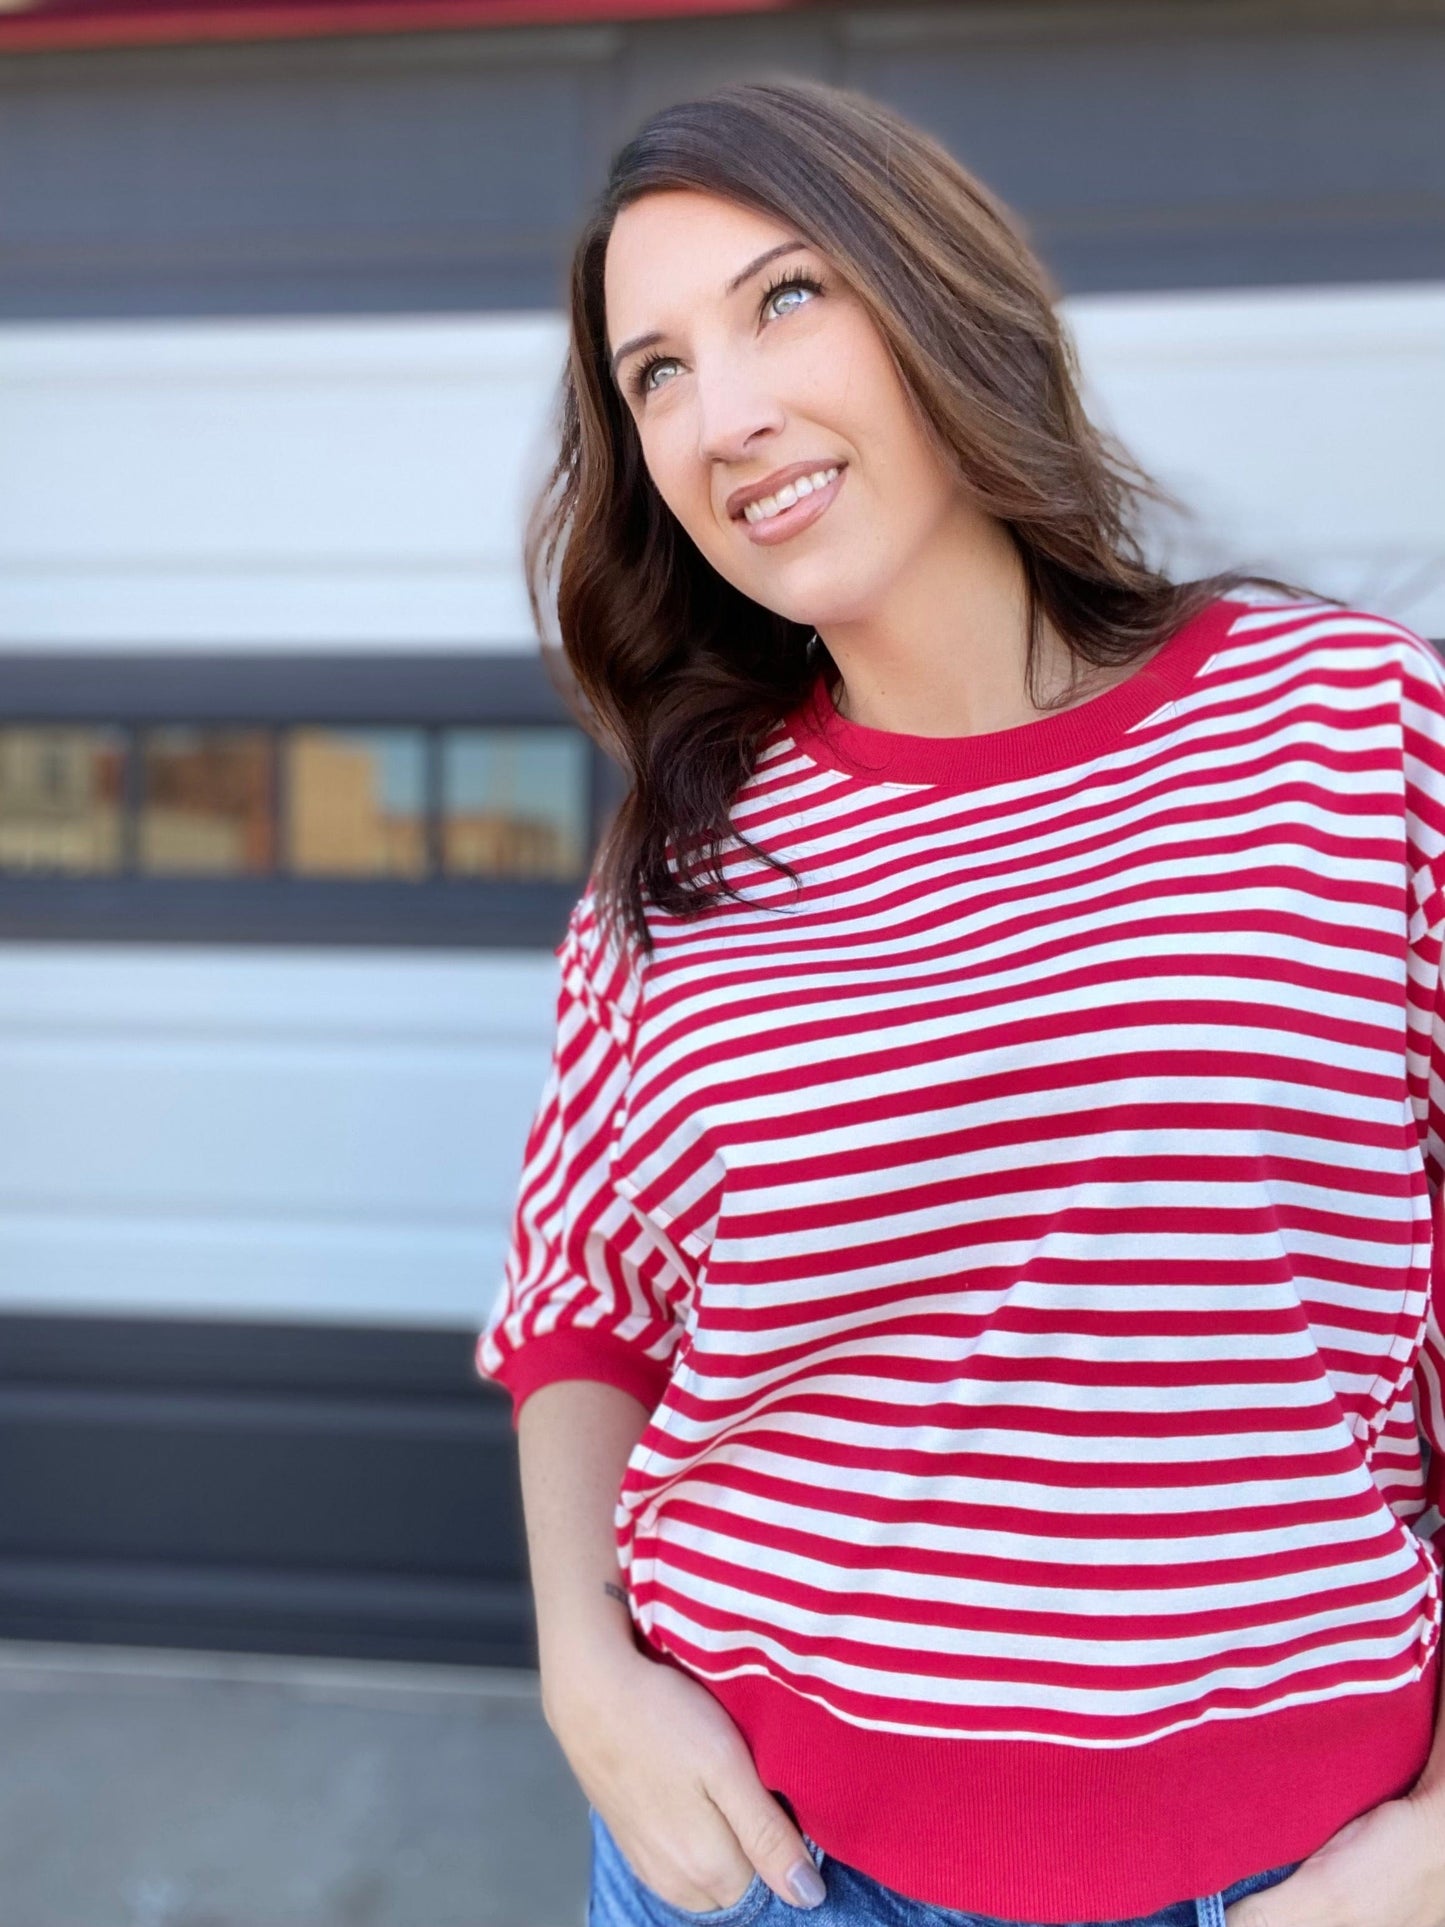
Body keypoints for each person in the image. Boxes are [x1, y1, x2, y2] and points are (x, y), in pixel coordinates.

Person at [474, 75, 1445, 1927]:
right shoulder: (679, 857)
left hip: (1301, 1868)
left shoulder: (1349, 732)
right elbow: (582, 1295)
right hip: (763, 1865)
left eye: (783, 298)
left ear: (938, 293)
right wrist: (584, 1673)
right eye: (654, 371)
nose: (724, 415)